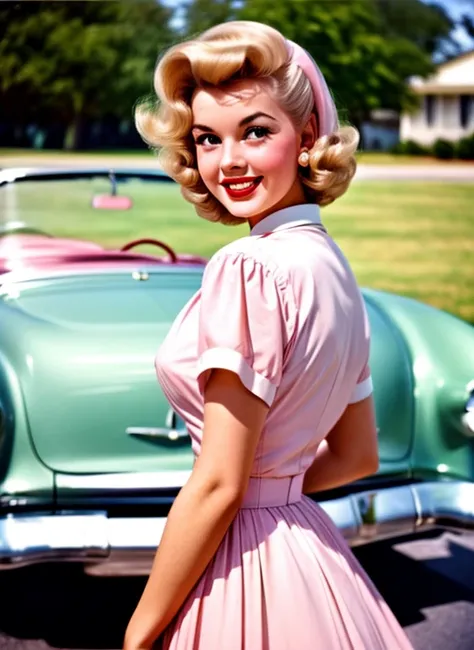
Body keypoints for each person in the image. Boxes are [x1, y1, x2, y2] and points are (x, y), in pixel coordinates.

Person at [124, 20, 414, 650]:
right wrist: (278, 491)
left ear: (306, 135)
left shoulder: (246, 266)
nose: (227, 162)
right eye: (207, 139)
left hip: (246, 565)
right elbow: (357, 455)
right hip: (314, 560)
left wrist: (139, 631)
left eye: (255, 132)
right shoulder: (335, 268)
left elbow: (220, 482)